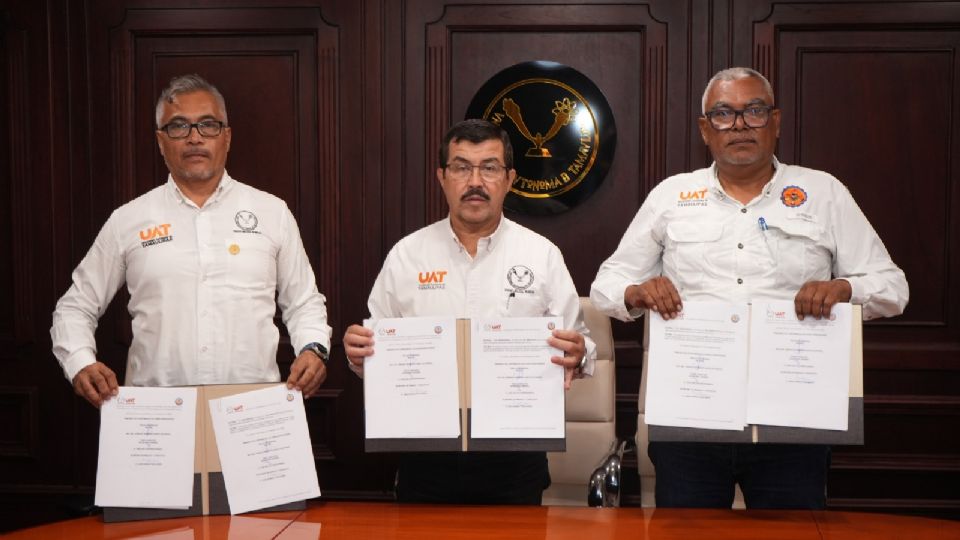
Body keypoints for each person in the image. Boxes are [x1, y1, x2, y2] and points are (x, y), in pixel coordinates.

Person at [590, 67, 908, 509]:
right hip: (692, 414)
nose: (739, 125)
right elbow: (606, 284)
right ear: (705, 130)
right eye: (723, 114)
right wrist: (636, 292)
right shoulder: (671, 196)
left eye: (754, 111)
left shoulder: (823, 193)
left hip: (793, 416)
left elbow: (892, 287)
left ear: (775, 122)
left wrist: (843, 288)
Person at [342, 119, 596, 504]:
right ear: (442, 177)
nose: (475, 181)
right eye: (461, 167)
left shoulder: (541, 255)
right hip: (426, 456)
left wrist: (579, 353)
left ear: (509, 179)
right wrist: (360, 355)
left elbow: (582, 345)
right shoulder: (406, 256)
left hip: (514, 457)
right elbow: (377, 355)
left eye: (489, 168)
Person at [51, 74, 332, 408]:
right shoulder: (128, 220)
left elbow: (304, 302)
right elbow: (75, 307)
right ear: (161, 140)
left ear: (226, 137)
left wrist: (313, 348)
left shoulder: (272, 213)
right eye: (179, 126)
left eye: (208, 125)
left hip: (252, 412)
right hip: (157, 414)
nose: (195, 138)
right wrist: (80, 361)